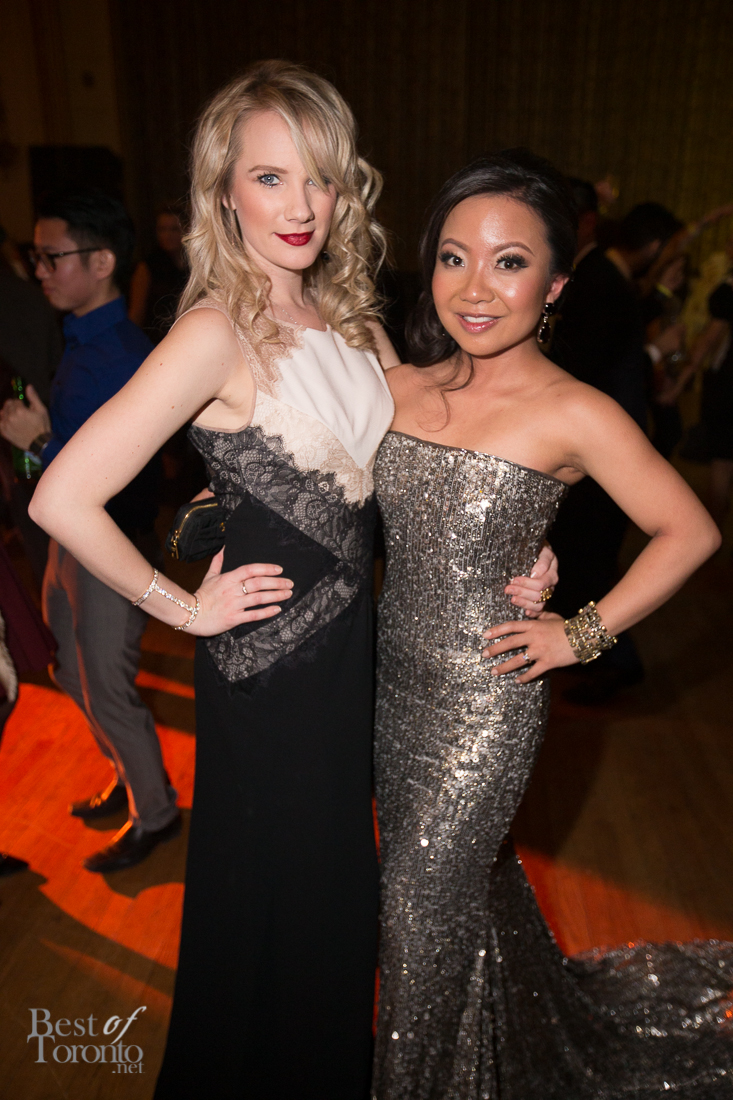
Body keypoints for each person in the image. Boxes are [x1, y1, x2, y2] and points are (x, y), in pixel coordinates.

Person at [27, 64, 556, 1099]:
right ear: (224, 191)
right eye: (269, 178)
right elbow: (64, 497)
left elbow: (433, 463)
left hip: (351, 666)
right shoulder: (212, 331)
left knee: (331, 908)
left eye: (318, 176)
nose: (300, 204)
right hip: (267, 673)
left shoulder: (352, 321)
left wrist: (517, 547)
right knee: (272, 914)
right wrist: (185, 607)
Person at [371, 150, 731, 1098]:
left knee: (413, 915)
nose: (474, 288)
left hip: (483, 707)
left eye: (509, 262)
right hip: (386, 687)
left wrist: (578, 634)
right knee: (449, 899)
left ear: (555, 285)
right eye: (453, 258)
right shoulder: (397, 386)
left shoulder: (576, 410)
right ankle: (508, 1048)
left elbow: (688, 530)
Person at [0, 185, 178, 874]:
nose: (39, 270)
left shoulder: (124, 355)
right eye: (34, 256)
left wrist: (39, 443)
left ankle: (155, 812)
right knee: (69, 672)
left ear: (102, 262)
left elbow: (120, 481)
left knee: (107, 688)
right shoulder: (77, 339)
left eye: (52, 257)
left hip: (110, 549)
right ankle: (132, 776)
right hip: (67, 545)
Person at [548, 194, 685, 703]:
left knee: (593, 564)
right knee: (588, 563)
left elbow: (691, 537)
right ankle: (608, 659)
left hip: (605, 460)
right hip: (594, 459)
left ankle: (611, 660)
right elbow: (588, 367)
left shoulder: (605, 280)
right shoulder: (601, 280)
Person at [128, 202, 189, 344]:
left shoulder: (197, 264)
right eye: (162, 229)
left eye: (174, 229)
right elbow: (137, 313)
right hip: (158, 341)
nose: (167, 235)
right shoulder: (148, 267)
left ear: (186, 229)